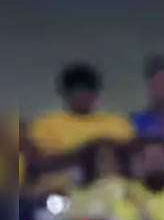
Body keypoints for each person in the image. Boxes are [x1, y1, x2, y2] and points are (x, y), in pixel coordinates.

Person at [29, 63, 135, 199]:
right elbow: (40, 163)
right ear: (64, 93)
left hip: (112, 193)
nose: (83, 95)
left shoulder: (117, 123)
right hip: (60, 195)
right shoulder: (47, 124)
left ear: (97, 93)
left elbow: (131, 158)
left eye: (88, 90)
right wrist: (88, 151)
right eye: (77, 90)